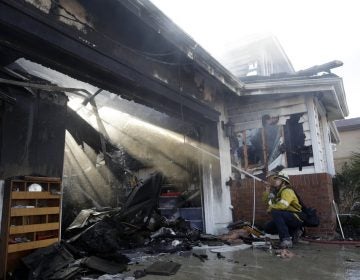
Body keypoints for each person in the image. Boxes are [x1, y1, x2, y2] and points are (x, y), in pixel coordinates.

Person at [262, 171, 303, 248]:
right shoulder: (277, 193)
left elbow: (283, 205)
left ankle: (286, 239)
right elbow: (266, 202)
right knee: (267, 227)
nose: (274, 181)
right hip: (286, 217)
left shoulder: (287, 191)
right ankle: (294, 232)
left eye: (277, 179)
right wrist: (267, 190)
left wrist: (271, 208)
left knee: (276, 212)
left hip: (295, 218)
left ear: (283, 182)